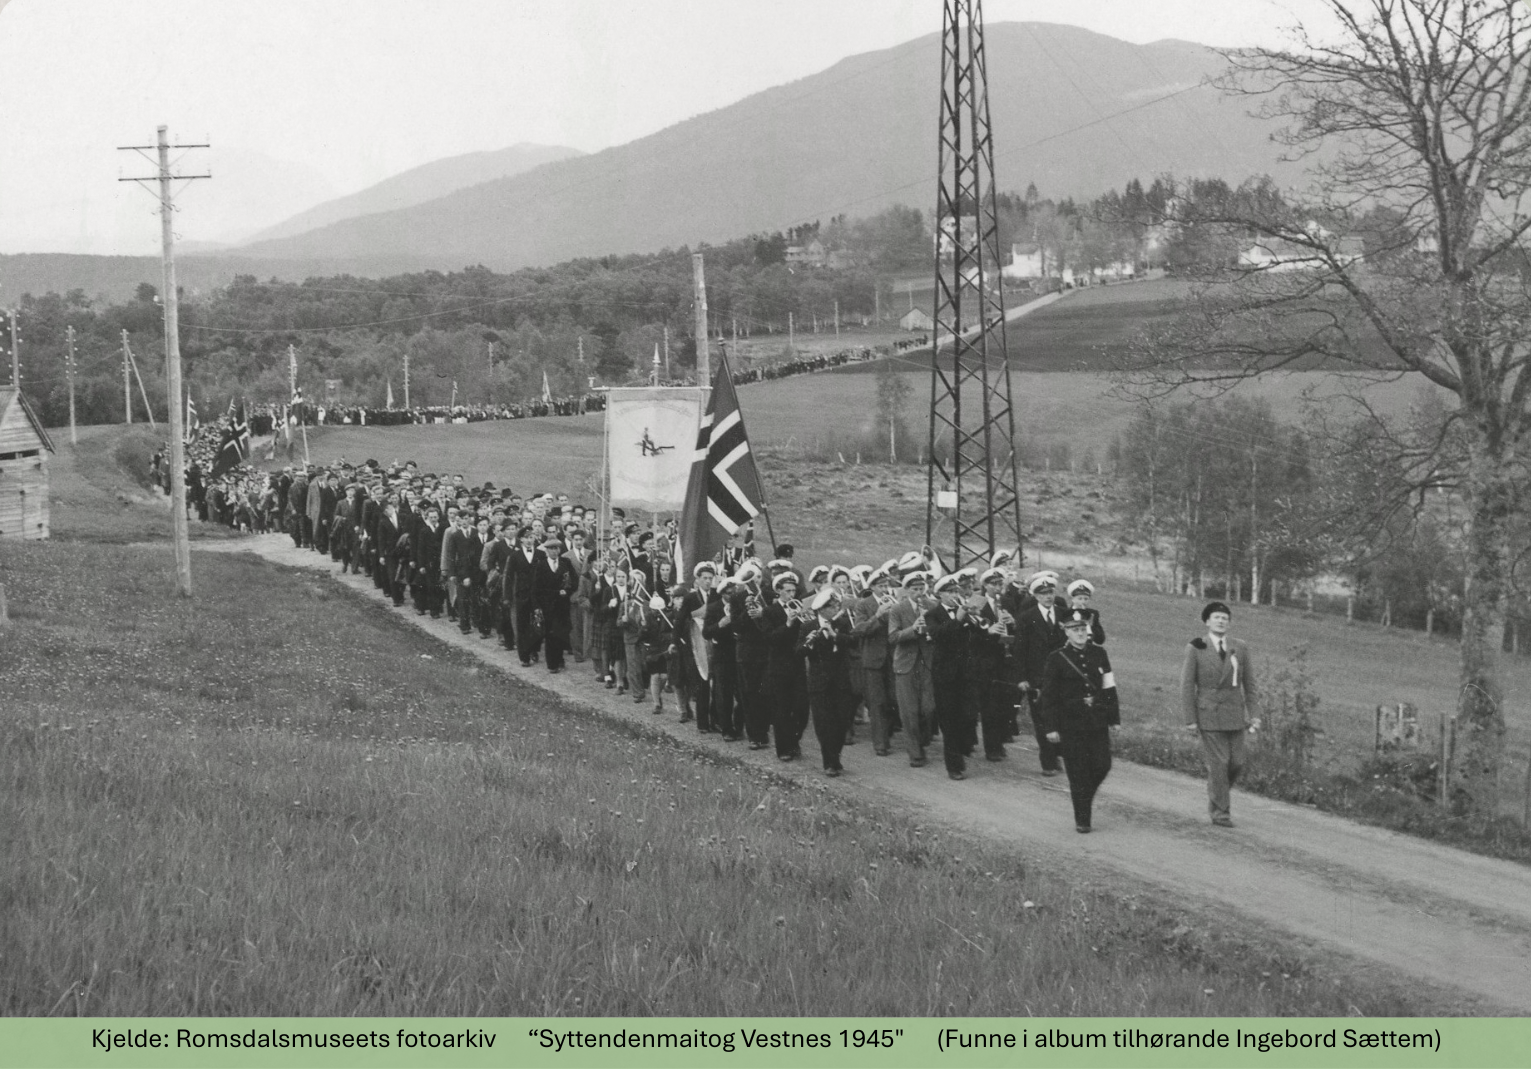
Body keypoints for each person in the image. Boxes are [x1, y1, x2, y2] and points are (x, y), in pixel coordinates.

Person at [1037, 610, 1120, 833]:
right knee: (1078, 771)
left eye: (1083, 629)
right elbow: (1049, 695)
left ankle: (1084, 798)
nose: (1080, 633)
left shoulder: (1099, 654)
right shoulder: (1056, 658)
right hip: (1070, 723)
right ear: (1066, 632)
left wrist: (1114, 717)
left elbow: (1109, 686)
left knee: (1103, 764)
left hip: (1097, 721)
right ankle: (1083, 819)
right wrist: (1051, 727)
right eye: (1075, 629)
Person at [1181, 601, 1259, 827]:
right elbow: (1187, 685)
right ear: (1207, 622)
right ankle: (1221, 813)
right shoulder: (1196, 647)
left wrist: (1254, 713)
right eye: (1216, 617)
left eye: (1225, 618)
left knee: (1237, 763)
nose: (1221, 621)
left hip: (1235, 713)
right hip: (1209, 714)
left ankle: (1217, 792)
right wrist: (1190, 720)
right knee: (1220, 764)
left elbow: (1250, 684)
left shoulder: (1240, 647)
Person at [799, 586, 855, 776]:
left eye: (836, 605)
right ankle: (829, 763)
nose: (835, 609)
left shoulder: (842, 623)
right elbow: (798, 652)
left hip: (840, 681)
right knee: (823, 723)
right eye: (832, 606)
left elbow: (853, 642)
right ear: (821, 609)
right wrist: (809, 641)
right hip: (819, 682)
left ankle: (835, 756)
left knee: (841, 721)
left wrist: (835, 635)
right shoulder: (808, 626)